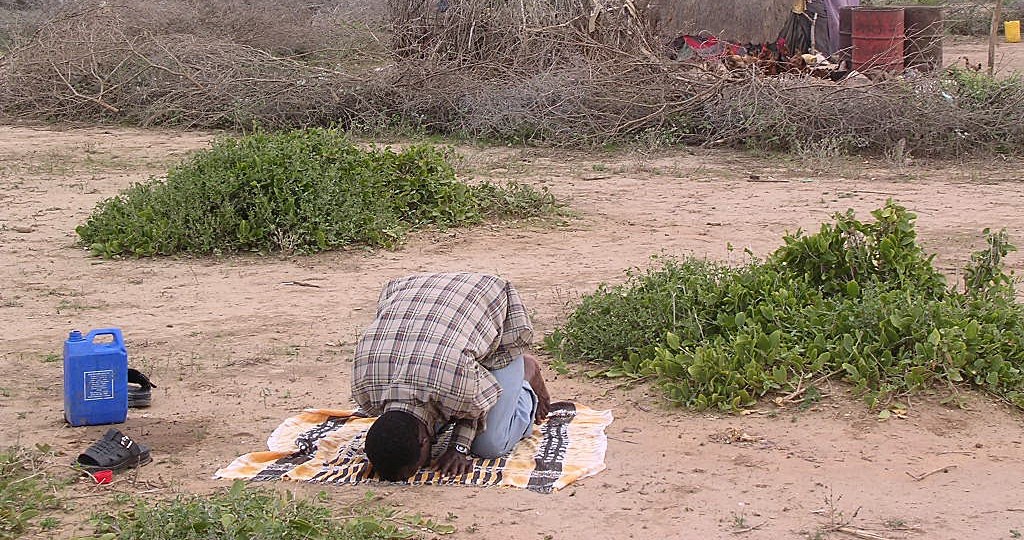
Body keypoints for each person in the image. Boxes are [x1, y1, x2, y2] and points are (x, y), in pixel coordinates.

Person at [351, 272, 551, 481]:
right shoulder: (364, 389)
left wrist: (459, 447)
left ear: (423, 441)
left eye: (419, 467)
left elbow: (478, 403)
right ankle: (473, 357)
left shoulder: (452, 383)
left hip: (493, 305)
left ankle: (525, 373)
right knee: (442, 412)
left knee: (489, 444)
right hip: (418, 294)